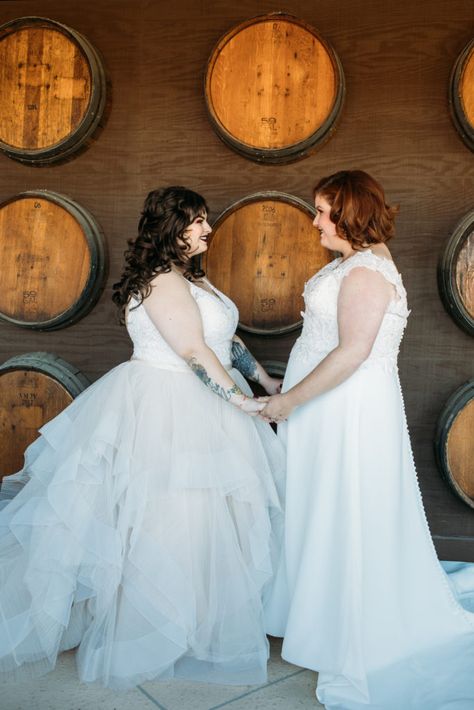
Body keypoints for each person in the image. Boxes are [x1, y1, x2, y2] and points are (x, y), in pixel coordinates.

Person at [0, 186, 285, 690]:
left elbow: (226, 340)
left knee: (208, 517)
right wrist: (242, 405)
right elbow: (195, 350)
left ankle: (201, 615)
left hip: (207, 400)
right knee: (170, 514)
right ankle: (157, 624)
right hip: (169, 405)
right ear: (169, 227)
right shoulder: (160, 282)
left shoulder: (190, 279)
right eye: (196, 222)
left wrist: (261, 382)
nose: (207, 230)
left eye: (206, 220)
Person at [261, 170, 474, 709]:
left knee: (342, 506)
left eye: (323, 212)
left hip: (345, 409)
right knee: (320, 506)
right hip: (327, 405)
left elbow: (353, 351)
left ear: (350, 214)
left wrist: (287, 401)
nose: (314, 222)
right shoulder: (355, 265)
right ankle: (314, 611)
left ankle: (341, 623)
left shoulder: (366, 272)